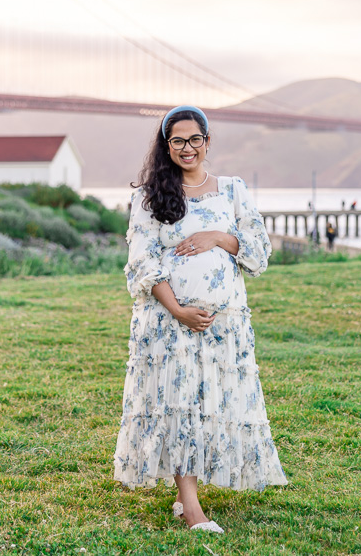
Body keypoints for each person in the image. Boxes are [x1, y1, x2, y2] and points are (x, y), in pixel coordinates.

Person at [114, 105, 287, 533]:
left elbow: (259, 253)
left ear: (208, 142)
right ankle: (192, 509)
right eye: (177, 141)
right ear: (166, 145)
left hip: (223, 325)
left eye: (194, 140)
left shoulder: (232, 190)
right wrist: (178, 310)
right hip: (168, 322)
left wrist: (218, 237)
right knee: (177, 406)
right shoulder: (149, 196)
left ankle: (183, 493)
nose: (187, 148)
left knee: (204, 407)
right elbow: (141, 262)